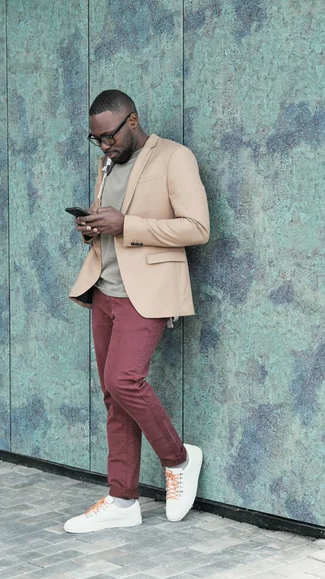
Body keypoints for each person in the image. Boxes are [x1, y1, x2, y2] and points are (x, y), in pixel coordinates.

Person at [64, 90, 209, 534]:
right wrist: (91, 229)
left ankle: (179, 459)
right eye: (97, 141)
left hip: (145, 292)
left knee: (123, 380)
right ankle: (122, 498)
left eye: (109, 137)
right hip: (103, 289)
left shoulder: (174, 158)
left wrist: (125, 225)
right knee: (113, 395)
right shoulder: (107, 165)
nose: (104, 147)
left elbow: (197, 227)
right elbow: (110, 224)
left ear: (132, 120)